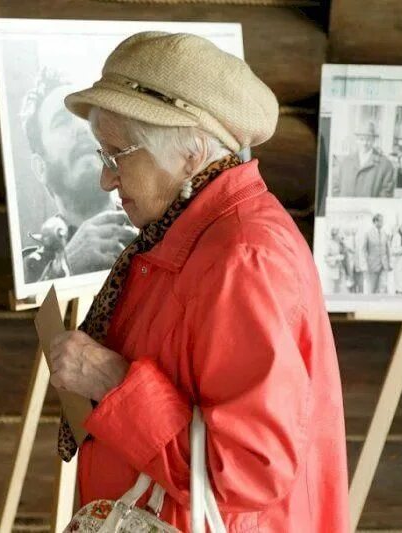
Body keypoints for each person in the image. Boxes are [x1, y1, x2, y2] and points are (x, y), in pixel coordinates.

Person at [47, 32, 347, 531]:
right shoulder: (190, 229)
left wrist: (111, 382)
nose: (106, 180)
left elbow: (249, 470)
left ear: (190, 155)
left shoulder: (242, 258)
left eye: (117, 155)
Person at [20, 67, 137, 283]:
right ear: (40, 167)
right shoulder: (28, 272)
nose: (82, 129)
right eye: (61, 121)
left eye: (87, 118)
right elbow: (41, 318)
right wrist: (67, 266)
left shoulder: (156, 233)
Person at [332, 121, 396, 197]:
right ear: (356, 140)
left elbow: (386, 193)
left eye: (368, 139)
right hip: (347, 208)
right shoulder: (346, 162)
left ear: (374, 140)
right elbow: (336, 188)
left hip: (371, 208)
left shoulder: (385, 164)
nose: (365, 143)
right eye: (361, 139)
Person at [363, 214, 391, 294]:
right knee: (372, 289)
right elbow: (363, 250)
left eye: (383, 221)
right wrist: (364, 265)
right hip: (372, 265)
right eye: (381, 221)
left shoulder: (384, 233)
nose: (382, 223)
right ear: (375, 221)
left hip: (384, 265)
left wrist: (389, 263)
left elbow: (388, 249)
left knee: (383, 287)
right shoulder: (368, 233)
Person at [325, 227, 347, 293]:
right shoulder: (328, 244)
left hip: (341, 270)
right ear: (334, 235)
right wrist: (337, 258)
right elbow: (326, 258)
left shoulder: (341, 243)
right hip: (333, 270)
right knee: (332, 289)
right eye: (338, 234)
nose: (340, 235)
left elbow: (345, 254)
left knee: (341, 289)